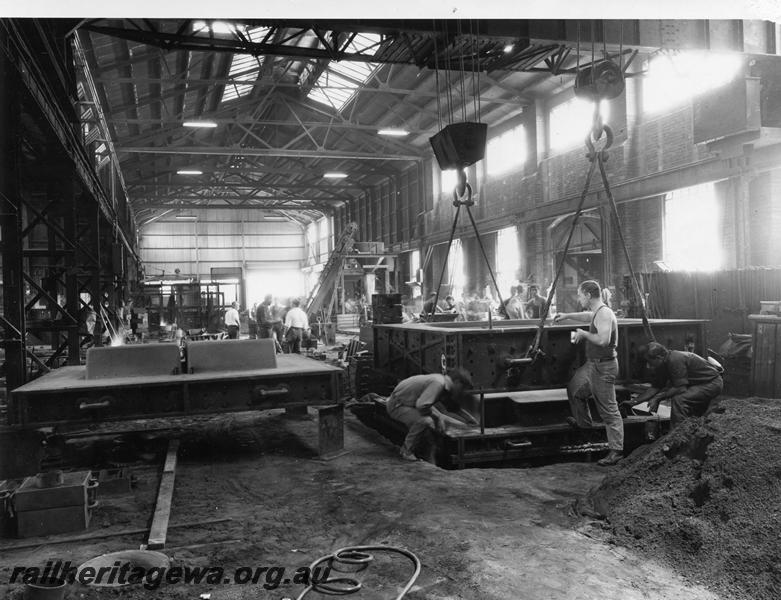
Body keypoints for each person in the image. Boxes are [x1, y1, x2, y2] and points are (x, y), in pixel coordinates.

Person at [554, 280, 623, 466]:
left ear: (588, 295)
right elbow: (588, 317)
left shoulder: (605, 314)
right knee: (576, 389)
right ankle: (585, 427)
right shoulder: (598, 312)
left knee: (609, 409)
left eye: (579, 294)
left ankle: (616, 451)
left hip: (604, 366)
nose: (578, 297)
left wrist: (583, 334)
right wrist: (567, 315)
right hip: (594, 364)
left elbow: (603, 340)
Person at [386, 368, 476, 462]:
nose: (461, 392)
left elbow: (451, 406)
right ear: (457, 382)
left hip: (409, 403)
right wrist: (438, 418)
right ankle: (406, 451)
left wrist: (470, 419)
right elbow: (422, 405)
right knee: (425, 421)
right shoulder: (438, 383)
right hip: (397, 405)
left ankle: (426, 452)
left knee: (431, 421)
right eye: (462, 389)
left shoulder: (443, 383)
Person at [627, 342, 723, 428]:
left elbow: (680, 388)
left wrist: (658, 398)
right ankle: (689, 430)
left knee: (679, 400)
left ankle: (677, 436)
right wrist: (634, 402)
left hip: (711, 383)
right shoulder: (662, 364)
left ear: (658, 358)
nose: (648, 366)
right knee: (692, 413)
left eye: (649, 362)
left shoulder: (675, 359)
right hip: (698, 384)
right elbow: (655, 388)